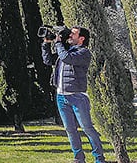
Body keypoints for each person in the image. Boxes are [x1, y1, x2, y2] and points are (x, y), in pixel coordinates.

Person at [42, 26, 106, 163]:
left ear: (81, 38)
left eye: (73, 34)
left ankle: (99, 159)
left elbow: (66, 58)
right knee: (70, 130)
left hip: (78, 97)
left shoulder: (84, 53)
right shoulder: (67, 51)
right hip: (61, 97)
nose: (70, 35)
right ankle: (79, 159)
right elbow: (48, 61)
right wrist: (46, 43)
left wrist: (58, 42)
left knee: (87, 128)